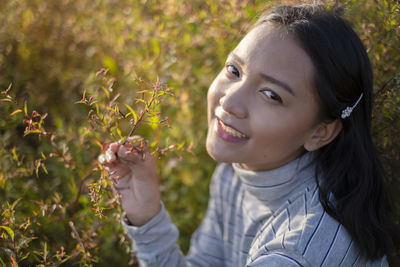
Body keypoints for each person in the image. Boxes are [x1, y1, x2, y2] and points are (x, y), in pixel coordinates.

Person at [98, 3, 398, 266]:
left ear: (320, 133)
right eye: (234, 70)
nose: (229, 101)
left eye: (271, 94)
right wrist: (148, 217)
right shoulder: (239, 169)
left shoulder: (297, 252)